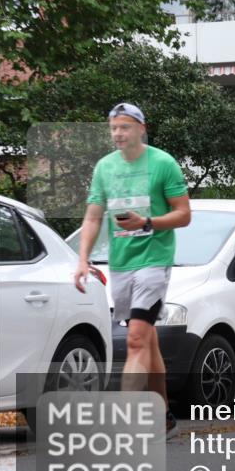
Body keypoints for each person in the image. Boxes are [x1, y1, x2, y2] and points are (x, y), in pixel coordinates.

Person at [74, 103, 191, 438]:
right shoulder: (105, 168)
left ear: (142, 128)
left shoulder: (162, 163)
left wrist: (148, 222)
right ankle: (163, 416)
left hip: (154, 261)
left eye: (124, 127)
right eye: (113, 128)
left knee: (137, 338)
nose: (118, 134)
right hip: (121, 264)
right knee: (148, 340)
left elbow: (183, 214)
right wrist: (82, 259)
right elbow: (94, 216)